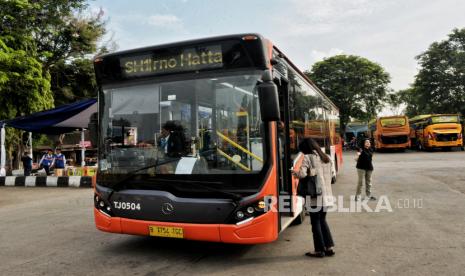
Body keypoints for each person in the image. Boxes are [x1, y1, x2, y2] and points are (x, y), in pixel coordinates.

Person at [293, 138, 335, 258]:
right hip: (327, 196)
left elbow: (302, 174)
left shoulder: (307, 158)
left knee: (315, 222)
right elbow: (331, 175)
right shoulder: (326, 157)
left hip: (315, 197)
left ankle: (319, 250)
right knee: (322, 220)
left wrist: (294, 173)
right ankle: (329, 247)